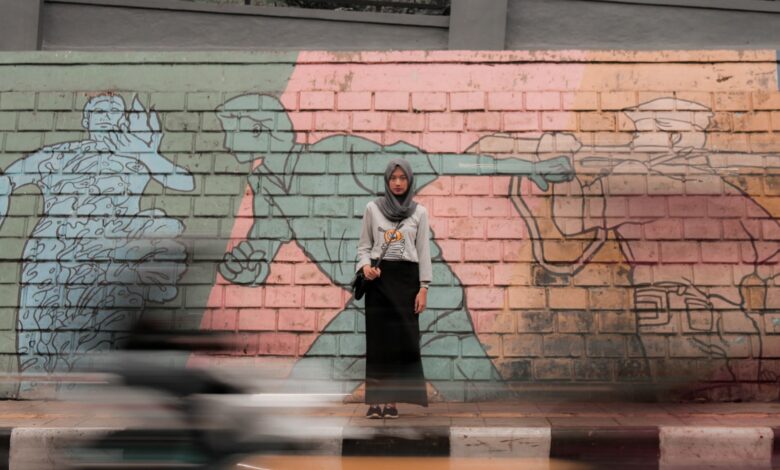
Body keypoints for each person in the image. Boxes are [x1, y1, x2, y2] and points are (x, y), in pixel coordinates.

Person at [216, 93, 574, 401]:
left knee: (490, 406)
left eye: (231, 133)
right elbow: (260, 254)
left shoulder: (341, 155)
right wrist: (245, 267)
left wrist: (527, 166)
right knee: (300, 391)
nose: (226, 143)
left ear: (260, 130)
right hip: (370, 305)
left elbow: (442, 163)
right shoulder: (267, 187)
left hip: (429, 306)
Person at [0, 94, 193, 384]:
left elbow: (184, 181)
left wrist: (148, 155)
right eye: (98, 110)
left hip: (109, 261)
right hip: (52, 260)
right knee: (40, 341)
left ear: (123, 119)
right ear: (86, 120)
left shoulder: (137, 156)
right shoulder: (59, 154)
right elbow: (9, 178)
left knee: (100, 347)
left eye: (114, 110)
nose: (106, 116)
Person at [357, 159, 430, 419]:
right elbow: (364, 247)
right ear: (387, 181)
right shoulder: (372, 209)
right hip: (379, 282)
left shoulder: (419, 212)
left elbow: (423, 252)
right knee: (378, 343)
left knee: (402, 344)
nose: (398, 182)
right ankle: (375, 402)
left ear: (409, 181)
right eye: (393, 178)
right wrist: (366, 268)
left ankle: (393, 402)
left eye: (403, 178)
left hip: (407, 282)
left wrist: (424, 288)